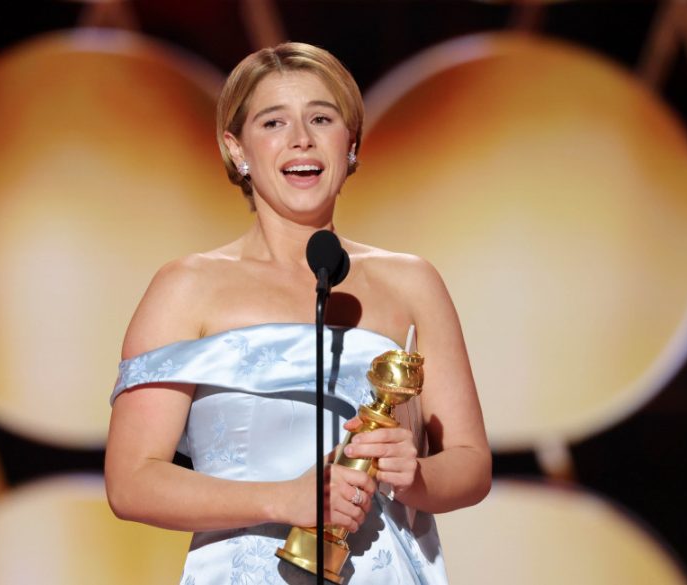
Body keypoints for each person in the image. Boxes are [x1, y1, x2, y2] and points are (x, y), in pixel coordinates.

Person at [105, 42, 491, 584]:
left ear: (350, 143)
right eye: (273, 122)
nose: (301, 139)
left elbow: (470, 464)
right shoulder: (185, 288)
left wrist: (416, 476)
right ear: (236, 148)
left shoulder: (413, 282)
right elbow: (131, 482)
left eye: (321, 118)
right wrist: (284, 498)